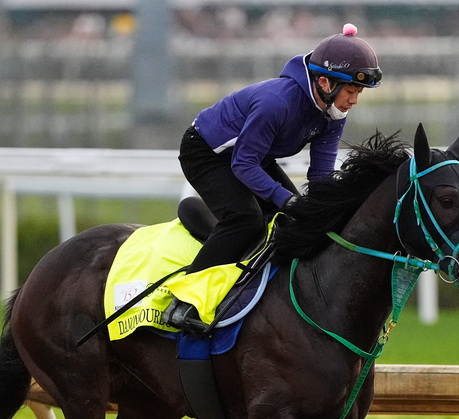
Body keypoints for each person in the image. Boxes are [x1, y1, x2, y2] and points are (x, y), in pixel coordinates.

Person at [163, 23, 382, 335]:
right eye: (351, 91)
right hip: (206, 152)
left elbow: (320, 175)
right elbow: (243, 164)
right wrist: (287, 199)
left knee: (298, 223)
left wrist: (330, 209)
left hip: (251, 157)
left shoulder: (333, 114)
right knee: (245, 220)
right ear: (324, 82)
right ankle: (183, 301)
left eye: (358, 93)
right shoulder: (276, 103)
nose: (354, 101)